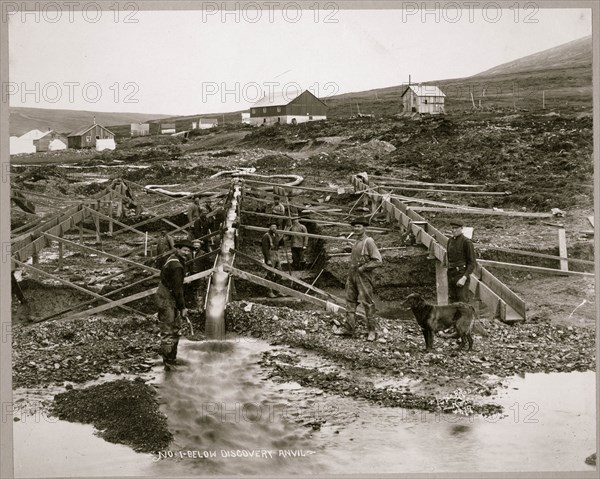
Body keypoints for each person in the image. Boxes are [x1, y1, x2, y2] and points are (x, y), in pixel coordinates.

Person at [335, 217, 383, 341]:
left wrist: (363, 268)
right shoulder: (356, 242)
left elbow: (378, 261)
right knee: (350, 301)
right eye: (355, 226)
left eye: (359, 226)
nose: (356, 229)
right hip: (352, 275)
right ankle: (349, 329)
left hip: (363, 276)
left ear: (364, 228)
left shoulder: (369, 241)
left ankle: (372, 331)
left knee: (367, 303)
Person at [155, 239, 193, 369]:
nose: (186, 253)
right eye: (184, 250)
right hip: (166, 298)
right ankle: (168, 362)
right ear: (177, 249)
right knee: (168, 330)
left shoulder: (173, 259)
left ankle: (172, 358)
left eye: (188, 251)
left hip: (168, 295)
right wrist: (182, 307)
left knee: (176, 328)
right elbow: (178, 289)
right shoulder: (176, 265)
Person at [446, 221, 477, 303]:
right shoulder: (450, 241)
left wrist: (464, 278)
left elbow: (472, 263)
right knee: (451, 301)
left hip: (461, 274)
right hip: (451, 274)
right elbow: (449, 258)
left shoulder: (466, 242)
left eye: (456, 228)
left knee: (462, 302)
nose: (454, 230)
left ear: (461, 229)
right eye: (453, 228)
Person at [261, 220, 284, 298]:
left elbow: (279, 244)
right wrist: (268, 259)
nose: (274, 228)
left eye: (275, 226)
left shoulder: (276, 235)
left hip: (276, 255)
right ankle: (269, 291)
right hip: (270, 256)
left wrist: (283, 239)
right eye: (272, 226)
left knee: (279, 274)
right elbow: (264, 249)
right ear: (269, 227)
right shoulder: (266, 236)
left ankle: (278, 290)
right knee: (270, 274)